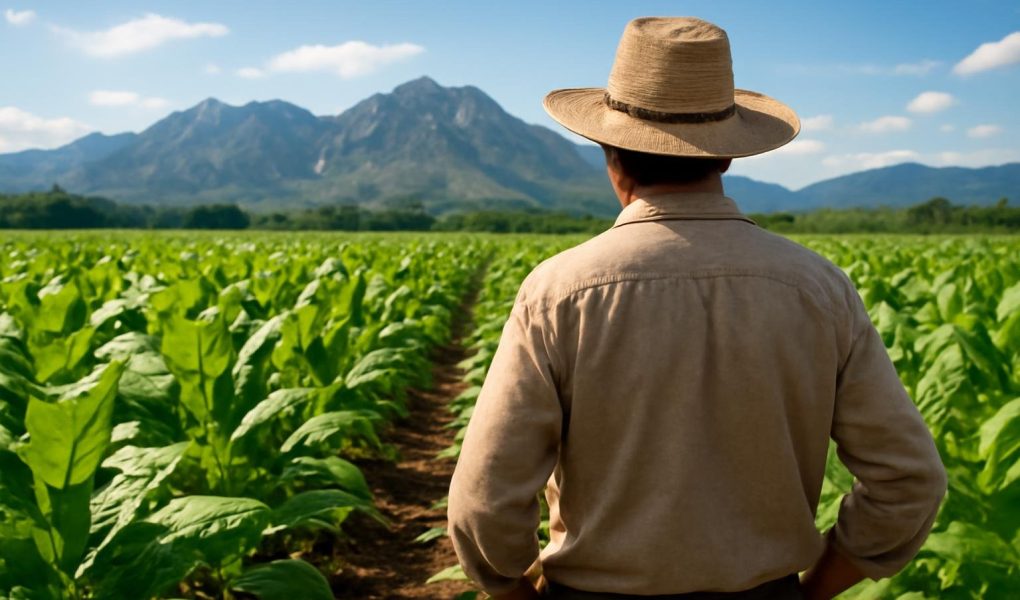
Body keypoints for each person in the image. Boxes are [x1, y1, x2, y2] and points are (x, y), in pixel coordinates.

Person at [447, 16, 947, 600]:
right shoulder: (819, 287)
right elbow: (909, 482)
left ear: (610, 151)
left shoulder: (560, 290)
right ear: (728, 156)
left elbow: (482, 500)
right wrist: (813, 590)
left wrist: (512, 591)